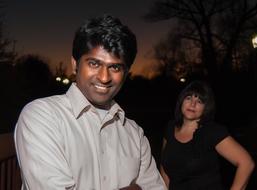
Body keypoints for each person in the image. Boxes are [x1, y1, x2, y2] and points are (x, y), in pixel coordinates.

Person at [14, 14, 166, 190]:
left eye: (115, 67)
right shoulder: (41, 116)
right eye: (94, 63)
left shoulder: (135, 134)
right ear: (75, 64)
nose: (104, 77)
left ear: (126, 73)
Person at [160, 80, 255, 190]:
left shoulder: (212, 132)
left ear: (206, 108)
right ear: (181, 101)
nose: (193, 104)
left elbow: (246, 163)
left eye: (199, 101)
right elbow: (164, 167)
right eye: (189, 98)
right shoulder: (170, 128)